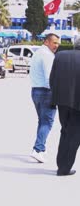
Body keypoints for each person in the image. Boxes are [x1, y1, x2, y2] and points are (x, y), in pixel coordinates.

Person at [50, 38, 80, 176]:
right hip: (77, 104)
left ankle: (61, 164)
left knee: (65, 131)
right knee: (74, 136)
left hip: (62, 102)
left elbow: (52, 78)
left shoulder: (60, 56)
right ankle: (64, 168)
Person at [29, 33, 60, 163]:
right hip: (46, 92)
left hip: (35, 91)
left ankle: (41, 148)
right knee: (47, 122)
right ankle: (37, 149)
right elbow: (49, 78)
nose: (57, 46)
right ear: (47, 42)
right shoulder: (47, 56)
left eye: (58, 43)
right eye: (54, 43)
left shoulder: (37, 53)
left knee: (42, 121)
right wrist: (56, 93)